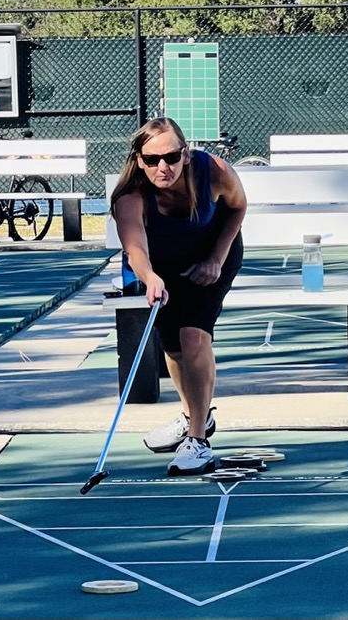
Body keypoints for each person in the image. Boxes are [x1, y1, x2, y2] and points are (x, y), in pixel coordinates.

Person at [110, 117, 247, 476]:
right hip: (163, 267)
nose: (163, 167)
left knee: (193, 336)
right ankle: (193, 417)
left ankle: (198, 441)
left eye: (171, 157)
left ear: (185, 154)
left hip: (213, 257)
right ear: (139, 159)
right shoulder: (130, 196)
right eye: (152, 159)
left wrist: (216, 258)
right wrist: (150, 277)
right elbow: (135, 247)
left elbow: (238, 206)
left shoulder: (212, 170)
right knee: (173, 348)